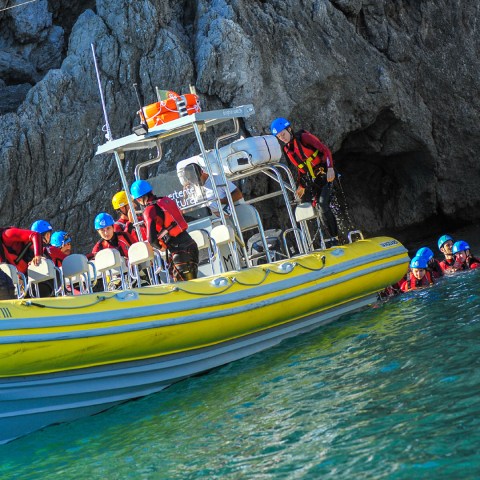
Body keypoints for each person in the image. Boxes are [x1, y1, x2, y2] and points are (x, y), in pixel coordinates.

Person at [270, 117, 338, 243]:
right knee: (318, 207)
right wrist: (302, 185)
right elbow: (302, 169)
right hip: (315, 180)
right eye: (279, 137)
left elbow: (325, 150)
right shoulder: (287, 149)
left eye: (283, 134)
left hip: (327, 174)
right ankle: (331, 238)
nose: (282, 138)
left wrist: (330, 168)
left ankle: (335, 238)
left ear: (289, 129)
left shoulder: (304, 138)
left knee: (323, 204)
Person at [130, 179, 199, 281]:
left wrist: (160, 247)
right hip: (191, 245)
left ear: (139, 199)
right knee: (193, 283)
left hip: (180, 252)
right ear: (151, 192)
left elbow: (151, 239)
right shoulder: (165, 201)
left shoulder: (149, 210)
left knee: (185, 288)